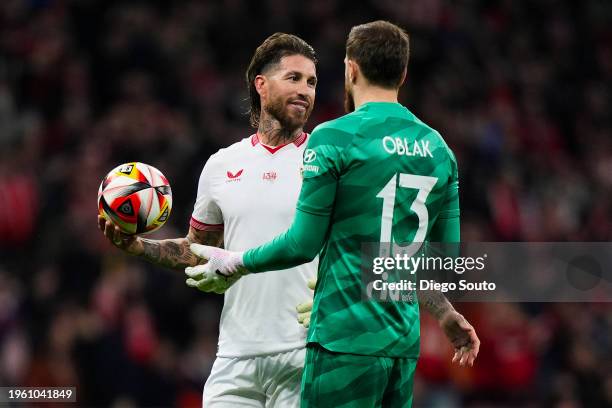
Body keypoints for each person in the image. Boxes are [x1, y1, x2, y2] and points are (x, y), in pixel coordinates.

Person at [186, 21, 480, 407]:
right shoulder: (439, 149)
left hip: (342, 338)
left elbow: (302, 244)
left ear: (350, 69)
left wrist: (235, 262)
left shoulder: (334, 138)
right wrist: (443, 313)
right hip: (403, 344)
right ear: (403, 74)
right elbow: (444, 261)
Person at [98, 33, 318, 407]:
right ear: (260, 85)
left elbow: (359, 245)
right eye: (293, 78)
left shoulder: (324, 159)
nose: (305, 90)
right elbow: (198, 253)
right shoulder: (221, 165)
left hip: (303, 353)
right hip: (234, 357)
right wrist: (138, 246)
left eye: (311, 81)